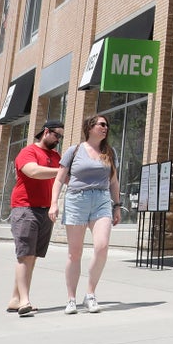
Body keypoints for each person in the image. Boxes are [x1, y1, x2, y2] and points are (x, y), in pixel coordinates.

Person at [49, 115, 121, 315]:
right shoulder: (75, 150)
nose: (106, 128)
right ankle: (71, 298)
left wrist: (117, 206)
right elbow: (59, 179)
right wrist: (54, 203)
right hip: (76, 200)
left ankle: (90, 294)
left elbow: (114, 182)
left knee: (102, 246)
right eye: (102, 124)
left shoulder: (109, 152)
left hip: (101, 200)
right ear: (90, 127)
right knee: (75, 253)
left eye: (107, 125)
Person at [7, 120, 64, 316]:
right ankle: (24, 300)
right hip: (25, 208)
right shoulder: (28, 152)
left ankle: (15, 298)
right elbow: (33, 171)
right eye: (57, 135)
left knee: (32, 257)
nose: (58, 140)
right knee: (25, 255)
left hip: (44, 209)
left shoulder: (56, 156)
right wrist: (61, 171)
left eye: (61, 137)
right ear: (46, 131)